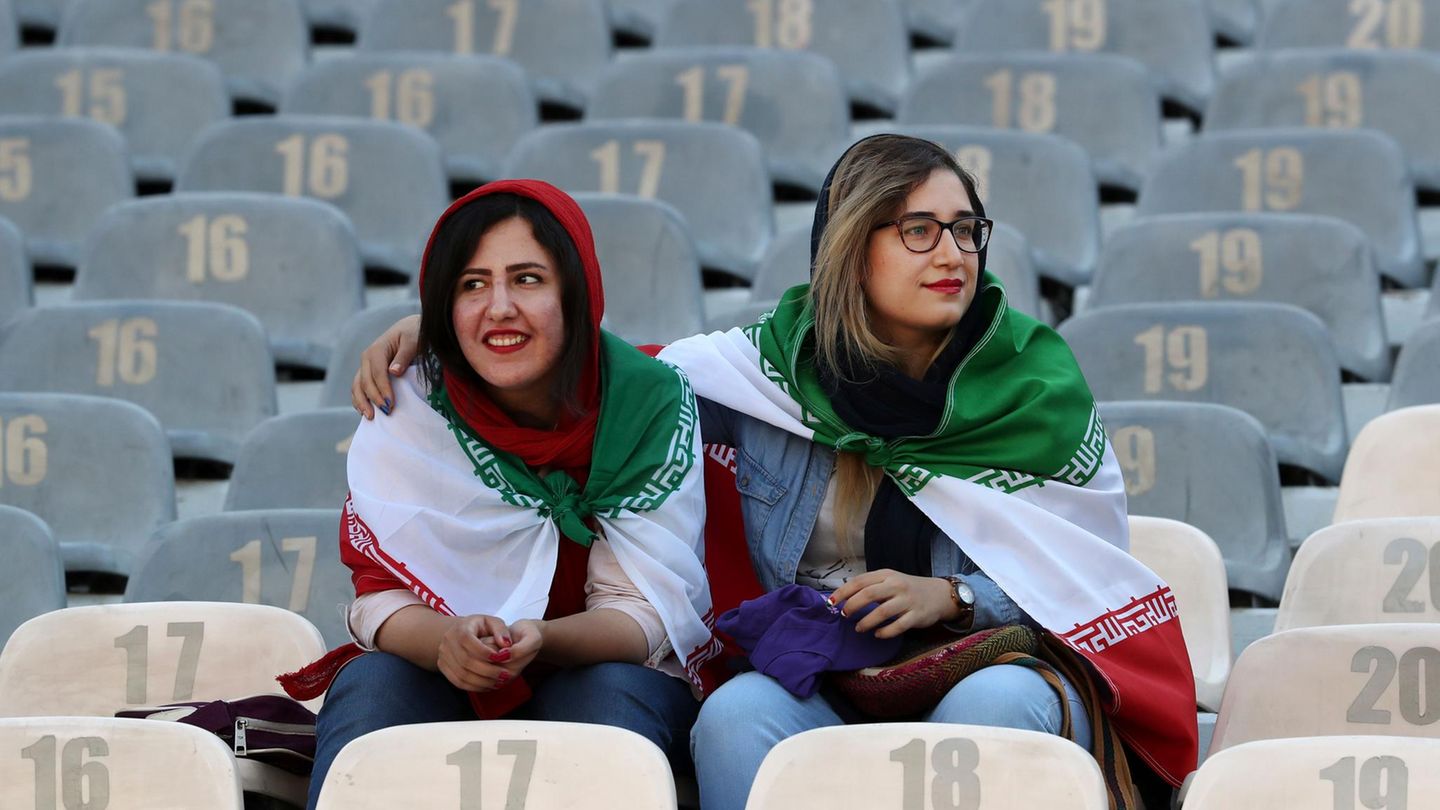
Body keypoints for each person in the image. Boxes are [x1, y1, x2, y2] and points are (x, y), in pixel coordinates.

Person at [350, 138, 1198, 809]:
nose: (952, 252)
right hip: (825, 673)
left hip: (996, 665)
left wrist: (956, 599)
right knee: (735, 715)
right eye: (917, 229)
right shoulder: (758, 377)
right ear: (848, 248)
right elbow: (610, 381)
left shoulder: (1037, 393)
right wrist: (442, 337)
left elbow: (1086, 581)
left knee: (991, 712)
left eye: (966, 229)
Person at [293, 179, 721, 809]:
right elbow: (376, 599)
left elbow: (644, 617)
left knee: (596, 695)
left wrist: (542, 639)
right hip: (450, 664)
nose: (498, 307)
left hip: (606, 669)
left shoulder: (646, 402)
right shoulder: (411, 399)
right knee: (375, 685)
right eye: (471, 285)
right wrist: (445, 642)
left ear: (577, 293)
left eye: (526, 279)